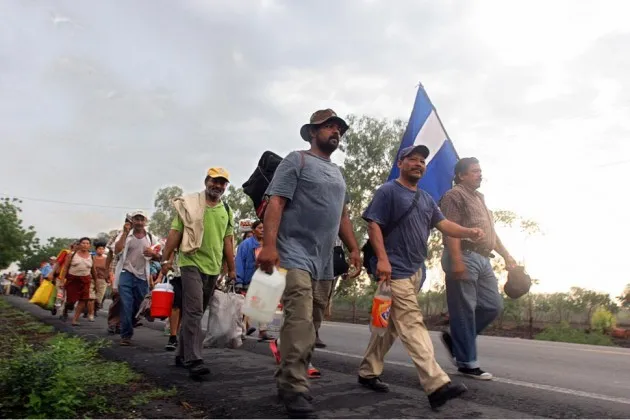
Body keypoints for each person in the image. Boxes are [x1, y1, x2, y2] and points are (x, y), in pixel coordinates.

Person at [358, 145, 487, 410]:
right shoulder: (388, 191)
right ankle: (436, 384)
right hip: (393, 270)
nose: (418, 163)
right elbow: (373, 224)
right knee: (412, 322)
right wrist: (382, 259)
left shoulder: (427, 199)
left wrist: (469, 232)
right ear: (400, 163)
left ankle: (368, 371)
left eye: (422, 161)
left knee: (390, 326)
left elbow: (444, 225)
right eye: (412, 159)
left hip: (416, 271)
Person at [257, 109, 362, 417]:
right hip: (293, 254)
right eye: (329, 126)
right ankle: (294, 386)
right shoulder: (296, 160)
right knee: (300, 320)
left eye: (339, 128)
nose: (336, 132)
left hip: (324, 261)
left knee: (311, 325)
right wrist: (269, 246)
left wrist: (354, 248)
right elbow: (276, 200)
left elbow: (342, 215)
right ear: (313, 132)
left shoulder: (338, 174)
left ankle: (289, 376)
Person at [439, 157, 517, 380]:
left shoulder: (480, 199)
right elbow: (450, 230)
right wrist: (456, 261)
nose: (479, 174)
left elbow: (493, 234)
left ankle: (456, 339)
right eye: (474, 171)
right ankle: (467, 363)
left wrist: (507, 255)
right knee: (464, 310)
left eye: (480, 171)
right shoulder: (454, 196)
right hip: (463, 254)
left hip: (484, 259)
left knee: (493, 306)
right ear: (461, 175)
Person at [160, 167, 236, 379]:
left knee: (197, 312)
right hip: (190, 261)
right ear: (206, 181)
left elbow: (228, 240)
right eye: (214, 181)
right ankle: (194, 359)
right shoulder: (191, 205)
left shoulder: (226, 210)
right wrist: (166, 259)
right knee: (193, 311)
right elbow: (175, 233)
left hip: (213, 267)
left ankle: (181, 354)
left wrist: (231, 269)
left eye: (222, 183)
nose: (218, 186)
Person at [113, 210, 160, 346]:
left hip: (143, 275)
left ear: (145, 222)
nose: (139, 222)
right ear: (131, 221)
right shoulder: (125, 236)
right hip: (126, 273)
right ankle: (126, 335)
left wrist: (153, 253)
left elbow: (160, 256)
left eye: (141, 220)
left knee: (139, 304)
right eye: (136, 219)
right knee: (126, 304)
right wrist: (125, 233)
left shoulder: (151, 238)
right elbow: (117, 250)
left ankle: (131, 322)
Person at [235, 220, 274, 342]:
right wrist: (239, 280)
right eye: (260, 228)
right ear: (253, 230)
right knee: (245, 307)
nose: (263, 230)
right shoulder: (245, 245)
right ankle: (240, 331)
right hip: (248, 279)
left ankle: (263, 331)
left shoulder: (268, 245)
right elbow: (239, 262)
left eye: (264, 228)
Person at [62, 237, 98, 325]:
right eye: (83, 243)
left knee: (83, 300)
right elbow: (65, 267)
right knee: (71, 301)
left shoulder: (91, 256)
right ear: (79, 244)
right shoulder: (72, 254)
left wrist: (96, 282)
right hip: (73, 279)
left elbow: (93, 270)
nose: (85, 245)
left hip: (85, 280)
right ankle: (66, 308)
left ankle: (75, 319)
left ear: (89, 246)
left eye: (87, 243)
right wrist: (63, 279)